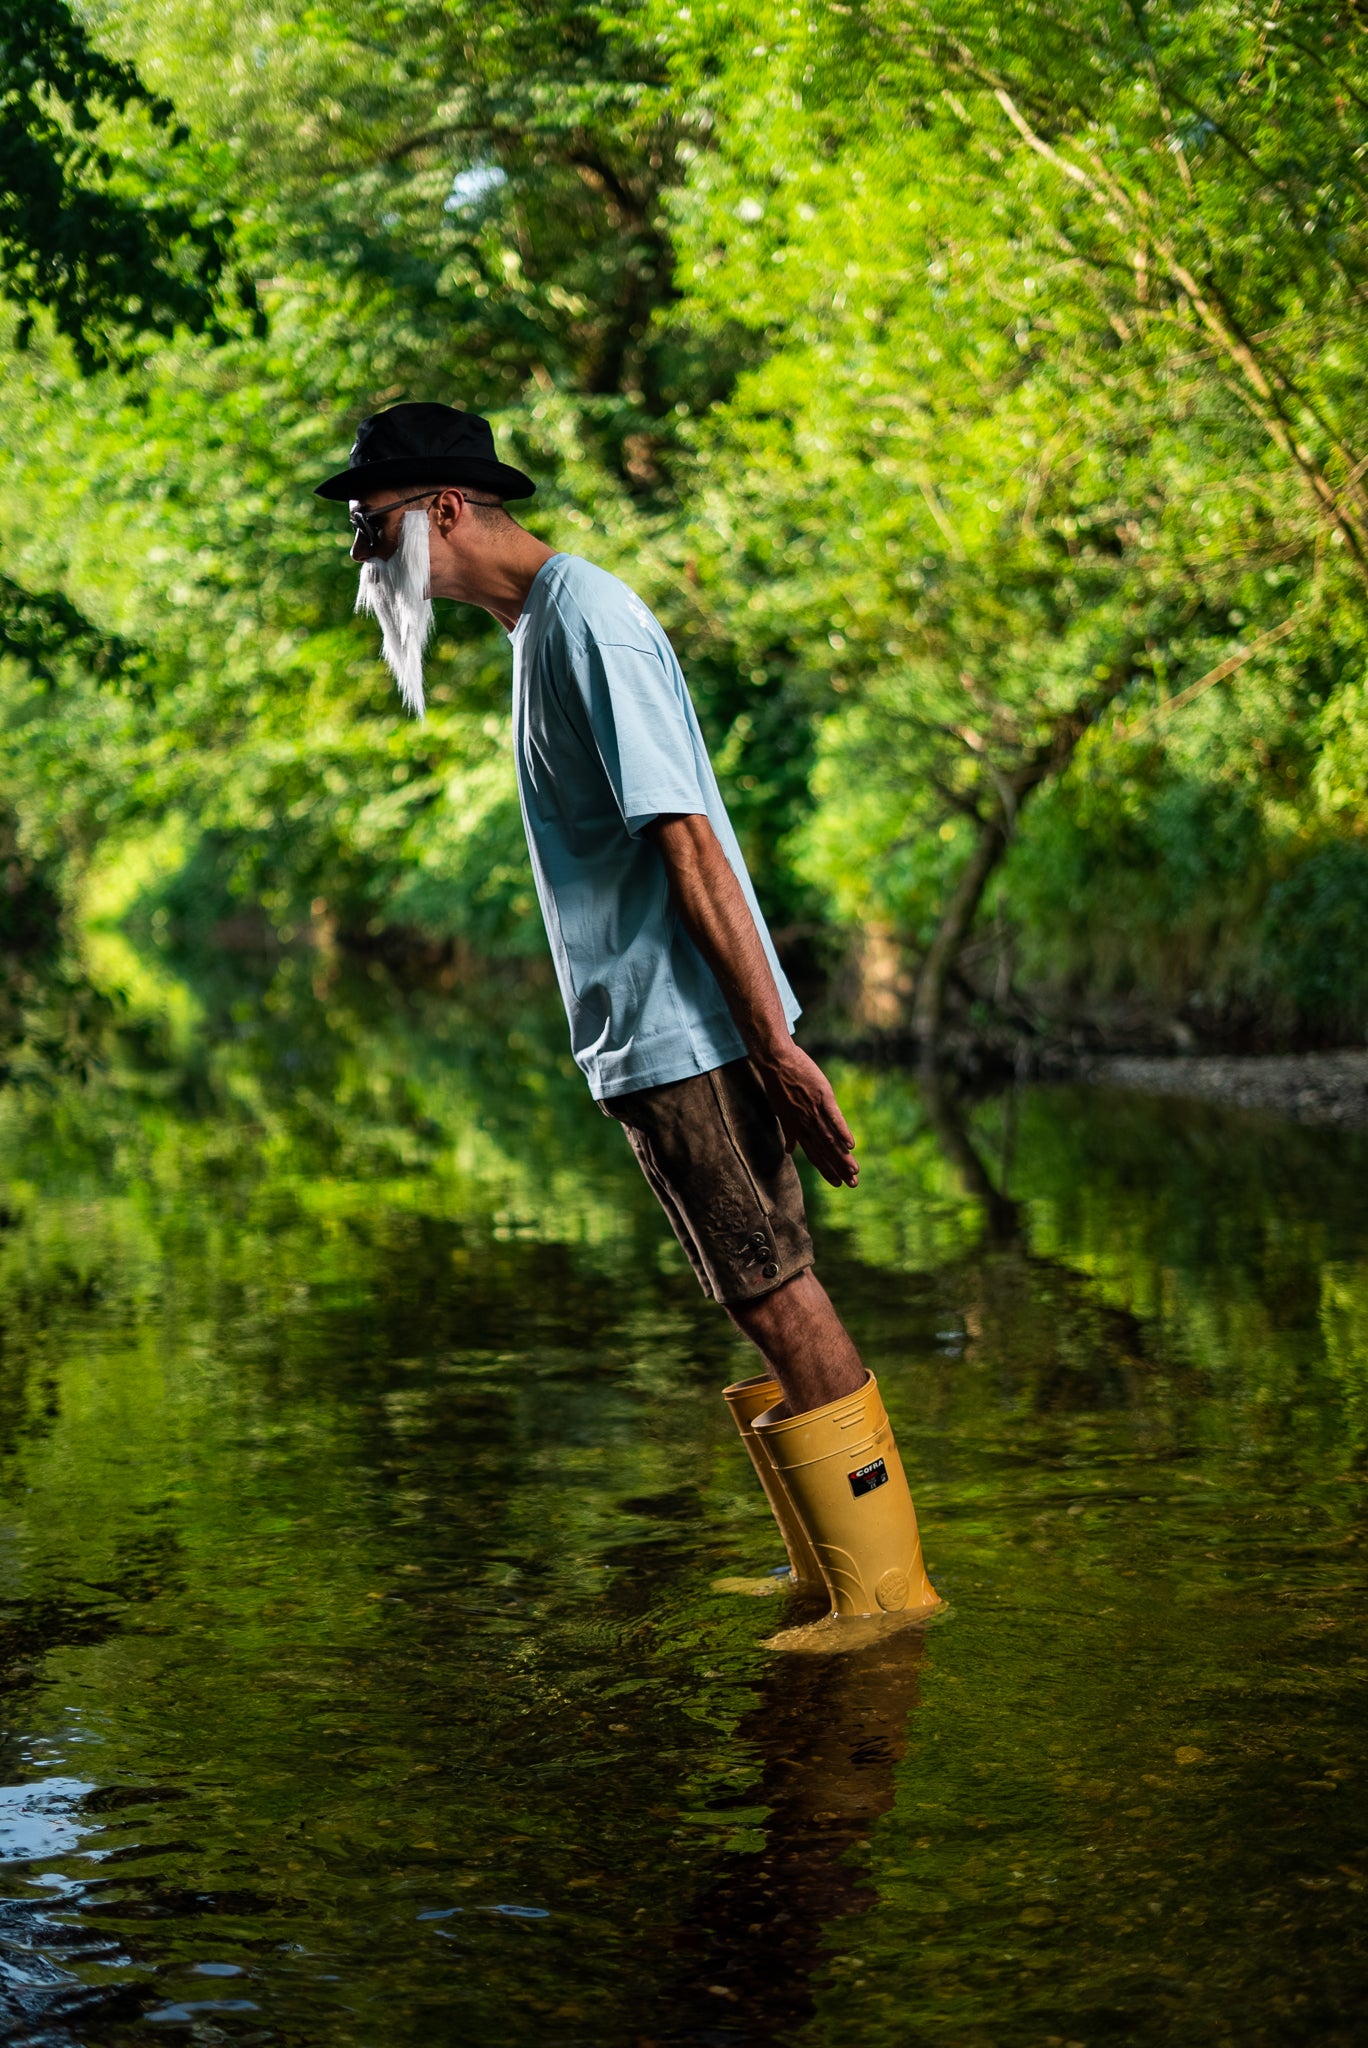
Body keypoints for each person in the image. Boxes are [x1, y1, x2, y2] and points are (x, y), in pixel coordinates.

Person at [315, 402, 937, 1635]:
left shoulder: (589, 618)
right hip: (659, 1035)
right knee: (757, 1288)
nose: (361, 555)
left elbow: (687, 833)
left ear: (445, 509)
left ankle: (884, 1600)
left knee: (776, 1288)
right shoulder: (537, 629)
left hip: (689, 1030)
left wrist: (774, 1044)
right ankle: (831, 1570)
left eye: (371, 524)